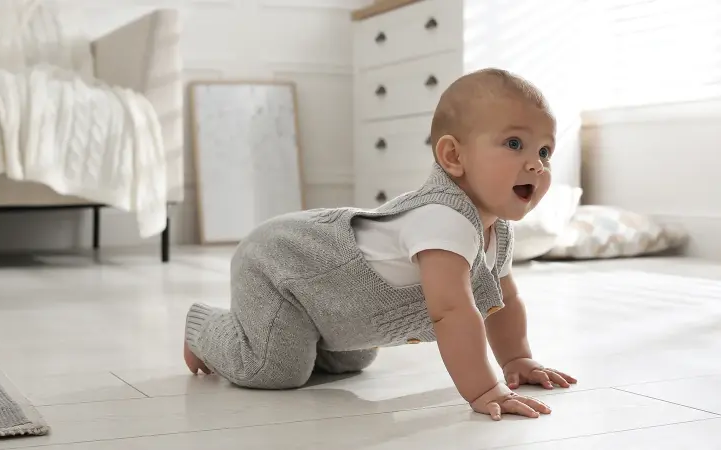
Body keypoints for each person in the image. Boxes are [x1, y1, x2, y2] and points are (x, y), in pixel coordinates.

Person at [183, 68, 577, 421]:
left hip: (335, 305)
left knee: (353, 358)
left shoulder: (498, 231)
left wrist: (517, 359)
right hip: (279, 263)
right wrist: (486, 389)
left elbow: (501, 301)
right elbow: (453, 312)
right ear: (454, 156)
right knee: (274, 368)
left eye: (544, 151)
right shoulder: (443, 218)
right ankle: (204, 327)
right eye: (514, 144)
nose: (536, 164)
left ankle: (303, 335)